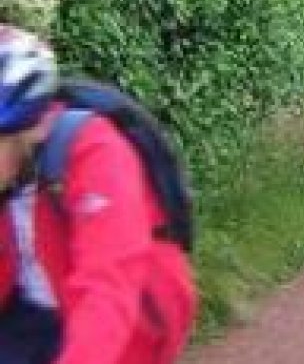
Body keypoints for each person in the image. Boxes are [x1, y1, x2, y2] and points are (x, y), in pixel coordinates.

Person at [0, 25, 197, 364]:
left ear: (24, 128)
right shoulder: (10, 165)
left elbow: (108, 284)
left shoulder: (95, 150)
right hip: (31, 315)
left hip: (125, 319)